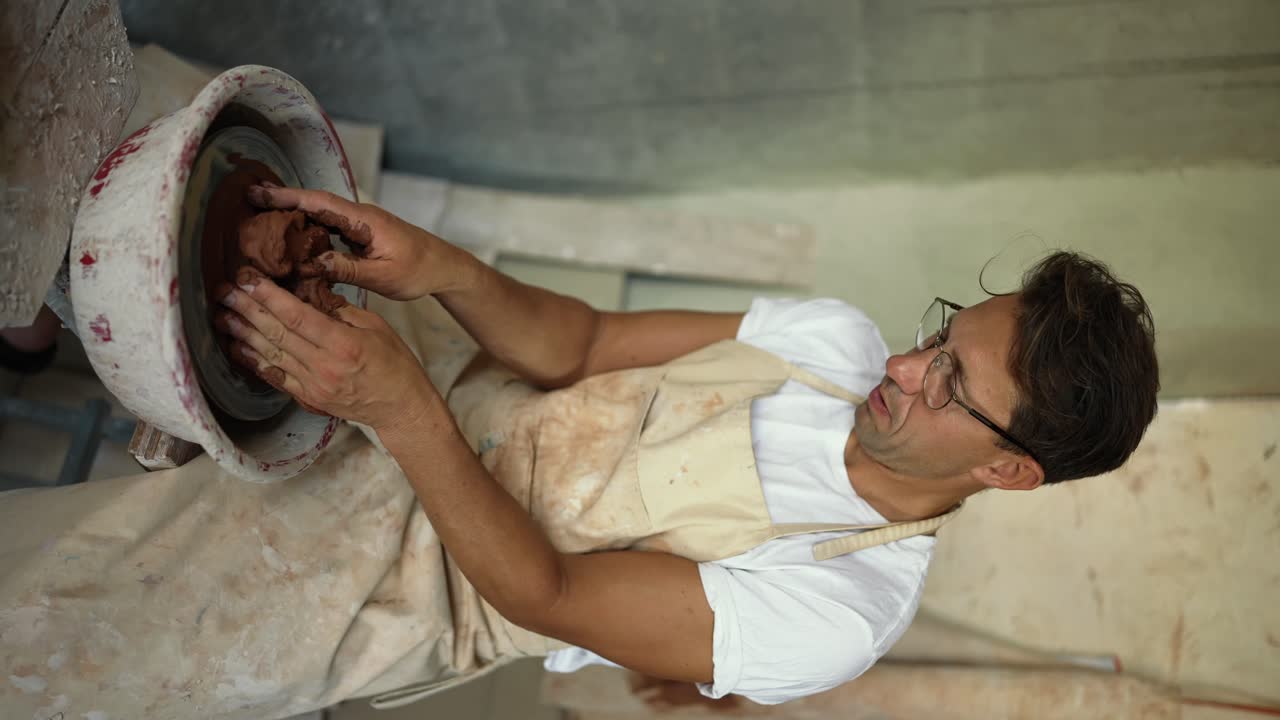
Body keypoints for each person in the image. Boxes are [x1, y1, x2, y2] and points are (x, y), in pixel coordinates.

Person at [0, 184, 1159, 720]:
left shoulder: (840, 603)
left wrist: (395, 413)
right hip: (441, 392)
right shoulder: (830, 342)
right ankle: (42, 302)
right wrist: (443, 268)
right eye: (935, 337)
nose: (903, 369)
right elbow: (585, 343)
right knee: (195, 257)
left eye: (950, 387)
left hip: (400, 582)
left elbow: (545, 591)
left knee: (45, 621)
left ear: (1004, 469)